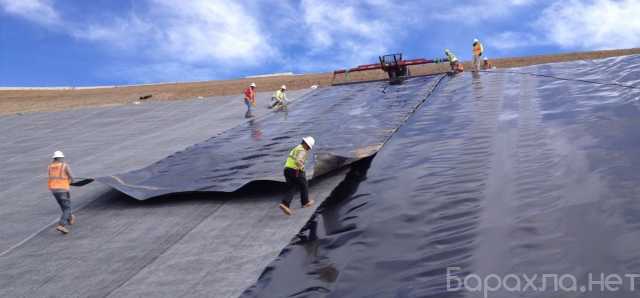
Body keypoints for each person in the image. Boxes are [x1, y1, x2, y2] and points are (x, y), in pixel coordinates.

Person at [279, 136, 316, 216]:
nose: (309, 149)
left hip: (287, 169)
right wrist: (300, 165)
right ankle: (305, 202)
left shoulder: (297, 148)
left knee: (291, 187)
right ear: (306, 144)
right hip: (295, 170)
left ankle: (285, 204)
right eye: (309, 147)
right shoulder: (302, 150)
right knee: (304, 185)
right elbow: (298, 160)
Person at [48, 151, 75, 234]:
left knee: (63, 206)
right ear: (60, 158)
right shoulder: (64, 166)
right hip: (63, 189)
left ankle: (70, 218)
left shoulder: (50, 167)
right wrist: (70, 181)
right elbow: (72, 177)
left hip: (54, 190)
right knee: (67, 207)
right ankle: (61, 225)